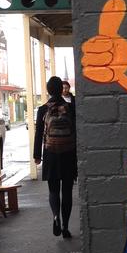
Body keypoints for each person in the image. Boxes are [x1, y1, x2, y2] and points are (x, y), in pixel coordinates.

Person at [33, 75, 77, 238]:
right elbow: (76, 132)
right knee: (67, 191)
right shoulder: (71, 108)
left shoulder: (43, 109)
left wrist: (37, 155)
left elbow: (39, 133)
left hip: (51, 153)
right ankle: (65, 227)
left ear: (48, 91)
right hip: (68, 153)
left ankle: (55, 216)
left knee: (53, 190)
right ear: (61, 89)